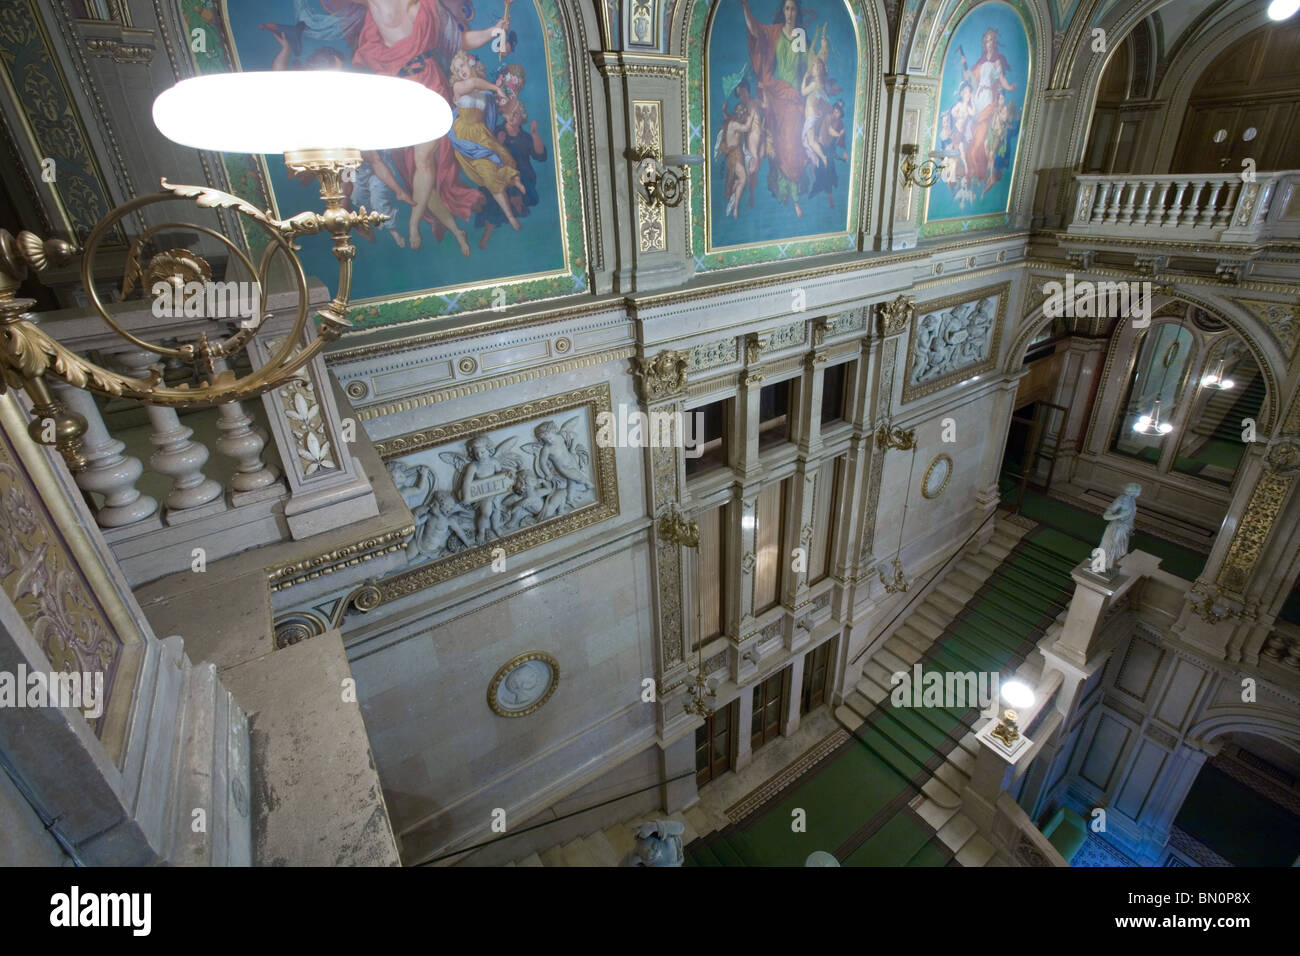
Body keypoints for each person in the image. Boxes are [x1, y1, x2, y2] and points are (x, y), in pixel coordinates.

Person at [350, 0, 510, 254]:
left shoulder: (428, 7)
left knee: (423, 160)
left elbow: (458, 40)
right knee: (416, 171)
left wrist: (493, 31)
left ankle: (413, 223)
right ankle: (456, 231)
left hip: (429, 84)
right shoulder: (375, 5)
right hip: (398, 90)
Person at [738, 0, 812, 217]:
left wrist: (807, 90)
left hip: (795, 97)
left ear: (797, 12)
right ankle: (785, 190)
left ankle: (795, 189)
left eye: (793, 9)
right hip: (777, 93)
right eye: (787, 8)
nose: (790, 13)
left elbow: (807, 65)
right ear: (783, 11)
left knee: (793, 144)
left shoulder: (800, 36)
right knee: (781, 143)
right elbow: (755, 31)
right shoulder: (774, 32)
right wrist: (746, 8)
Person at [1099, 483, 1141, 573]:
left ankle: (1110, 567)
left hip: (1125, 529)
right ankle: (1104, 567)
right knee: (1110, 548)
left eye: (1133, 492)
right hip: (1116, 528)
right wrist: (1121, 514)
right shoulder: (1121, 500)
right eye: (1130, 491)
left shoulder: (1132, 500)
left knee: (1119, 551)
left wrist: (1130, 527)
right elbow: (1106, 516)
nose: (1131, 493)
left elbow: (1131, 516)